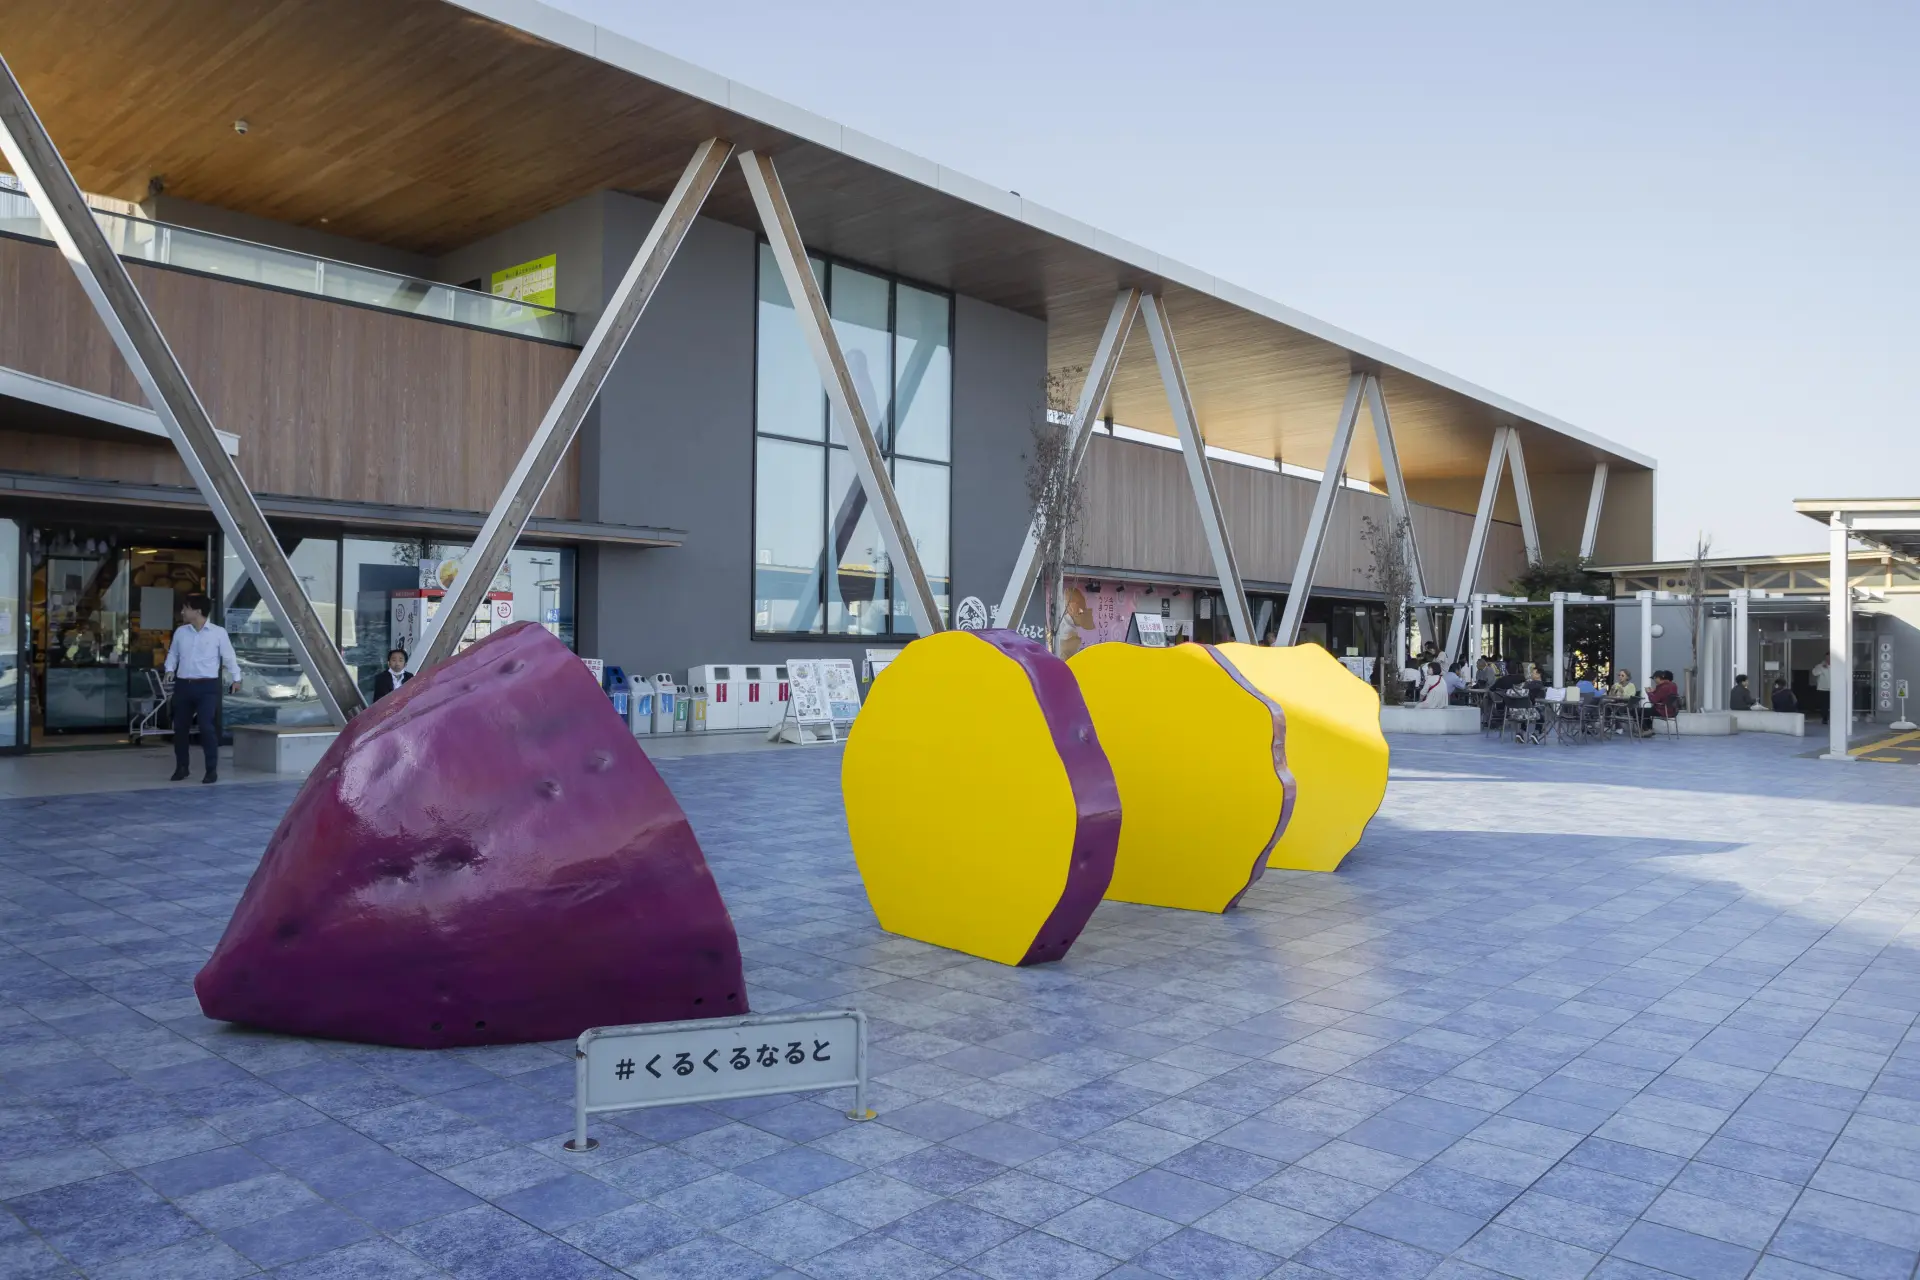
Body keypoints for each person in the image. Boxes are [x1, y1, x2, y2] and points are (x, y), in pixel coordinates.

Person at [164, 593, 240, 784]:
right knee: (180, 728)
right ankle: (182, 767)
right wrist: (169, 669)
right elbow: (173, 653)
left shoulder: (218, 633)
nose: (182, 612)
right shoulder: (181, 632)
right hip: (184, 685)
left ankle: (211, 769)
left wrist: (236, 678)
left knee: (206, 726)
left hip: (207, 686)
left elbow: (229, 656)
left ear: (197, 611)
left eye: (186, 608)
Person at [1811, 654, 1832, 724]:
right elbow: (1814, 673)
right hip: (1823, 688)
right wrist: (1821, 668)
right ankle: (1825, 718)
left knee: (1833, 704)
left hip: (1834, 688)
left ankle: (1834, 718)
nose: (1828, 659)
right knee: (1824, 704)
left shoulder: (1836, 666)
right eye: (1827, 657)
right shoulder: (1820, 666)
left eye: (1830, 657)